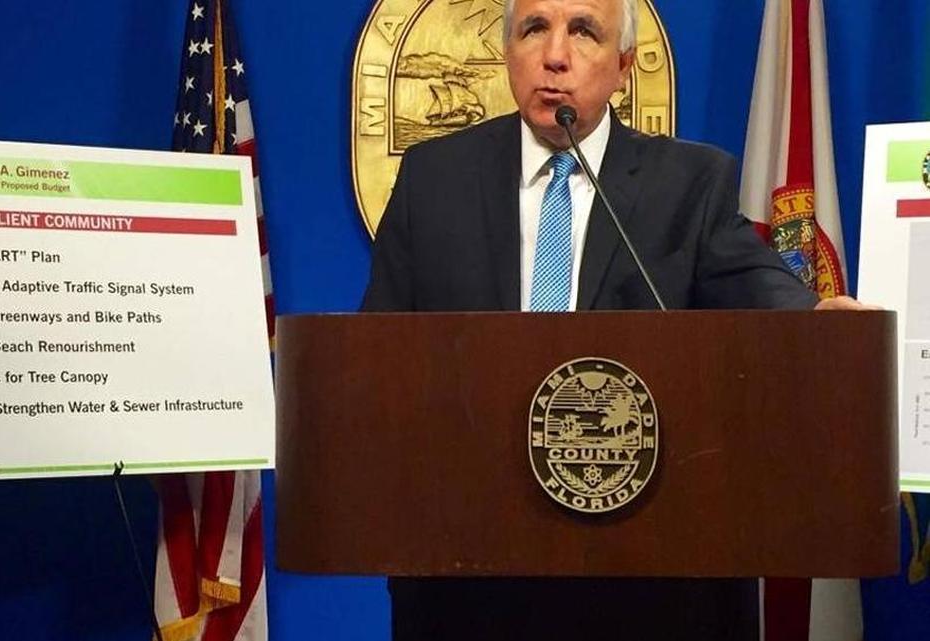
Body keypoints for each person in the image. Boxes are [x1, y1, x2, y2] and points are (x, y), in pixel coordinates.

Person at [361, 0, 865, 639]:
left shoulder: (689, 182)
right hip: (472, 581)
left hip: (646, 583)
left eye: (584, 32)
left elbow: (755, 282)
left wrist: (817, 315)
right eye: (534, 29)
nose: (555, 56)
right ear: (509, 51)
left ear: (624, 66)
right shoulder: (435, 178)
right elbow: (377, 354)